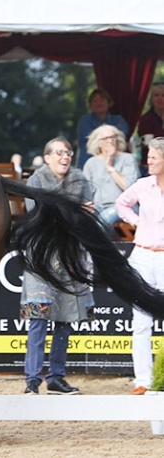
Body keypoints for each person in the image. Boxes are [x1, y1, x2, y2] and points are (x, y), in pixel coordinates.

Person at [20, 136, 95, 395]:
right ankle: (32, 380)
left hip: (70, 256)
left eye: (69, 153)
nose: (65, 157)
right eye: (60, 153)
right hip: (42, 257)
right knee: (39, 319)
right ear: (48, 157)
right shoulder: (36, 181)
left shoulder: (80, 180)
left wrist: (83, 214)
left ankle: (56, 378)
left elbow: (87, 215)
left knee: (65, 320)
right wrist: (73, 212)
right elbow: (38, 215)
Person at [115, 137, 164, 395]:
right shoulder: (143, 185)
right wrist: (136, 222)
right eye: (149, 157)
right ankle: (142, 380)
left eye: (154, 157)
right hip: (142, 256)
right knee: (141, 321)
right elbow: (121, 203)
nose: (149, 161)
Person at [83, 124, 139, 228]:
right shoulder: (91, 163)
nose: (110, 141)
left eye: (113, 137)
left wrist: (110, 166)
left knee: (104, 218)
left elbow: (129, 187)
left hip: (122, 207)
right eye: (105, 138)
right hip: (98, 207)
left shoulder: (128, 159)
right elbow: (87, 192)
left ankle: (98, 244)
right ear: (98, 143)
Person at [76, 87, 129, 168]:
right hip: (88, 164)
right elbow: (91, 139)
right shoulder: (84, 121)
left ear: (108, 103)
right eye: (95, 101)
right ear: (90, 105)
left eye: (102, 100)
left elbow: (122, 135)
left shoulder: (118, 120)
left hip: (115, 164)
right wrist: (111, 133)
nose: (99, 103)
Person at [137, 81, 164, 170]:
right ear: (151, 99)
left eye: (163, 95)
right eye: (156, 95)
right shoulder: (145, 120)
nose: (160, 98)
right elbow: (147, 145)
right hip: (152, 163)